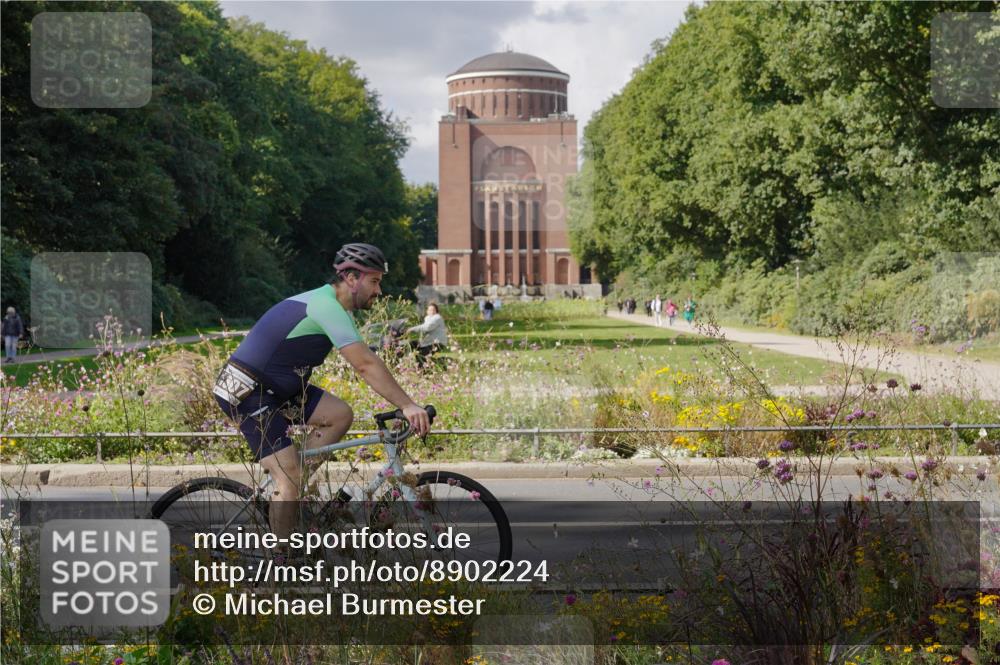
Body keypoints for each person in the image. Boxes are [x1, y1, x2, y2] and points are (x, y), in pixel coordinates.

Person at [213, 243, 431, 541]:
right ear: (352, 279)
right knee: (289, 477)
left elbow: (367, 359)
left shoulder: (332, 306)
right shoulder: (324, 306)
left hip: (278, 387)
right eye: (375, 281)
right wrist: (407, 405)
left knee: (340, 415)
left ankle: (290, 494)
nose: (379, 290)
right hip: (248, 390)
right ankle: (282, 564)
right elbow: (365, 364)